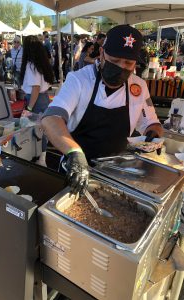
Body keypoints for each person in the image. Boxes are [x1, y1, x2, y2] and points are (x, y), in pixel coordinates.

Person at [41, 25, 163, 195]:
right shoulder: (79, 80)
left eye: (128, 63)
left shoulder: (139, 87)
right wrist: (74, 153)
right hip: (76, 171)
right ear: (102, 54)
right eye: (115, 60)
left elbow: (152, 123)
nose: (121, 67)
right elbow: (50, 119)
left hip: (115, 173)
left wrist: (153, 134)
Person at [21, 35, 54, 167]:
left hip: (36, 100)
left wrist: (29, 108)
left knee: (35, 129)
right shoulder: (41, 63)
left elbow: (35, 88)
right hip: (43, 98)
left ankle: (40, 158)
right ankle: (42, 157)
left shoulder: (31, 65)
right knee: (42, 129)